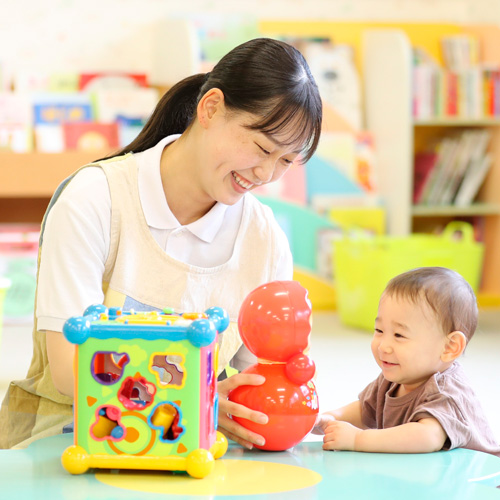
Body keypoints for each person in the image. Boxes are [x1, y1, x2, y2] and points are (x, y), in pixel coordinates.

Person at [0, 37, 322, 449]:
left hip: (190, 447)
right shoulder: (95, 199)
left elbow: (256, 381)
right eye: (262, 147)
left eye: (285, 161)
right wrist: (198, 401)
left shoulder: (265, 239)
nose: (265, 173)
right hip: (72, 436)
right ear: (210, 108)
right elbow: (69, 369)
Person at [314, 267, 500, 457]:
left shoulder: (446, 392)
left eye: (399, 335)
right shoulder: (395, 378)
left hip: (475, 483)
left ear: (449, 347)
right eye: (379, 330)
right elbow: (366, 410)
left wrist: (358, 439)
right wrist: (330, 418)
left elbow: (427, 436)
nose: (384, 346)